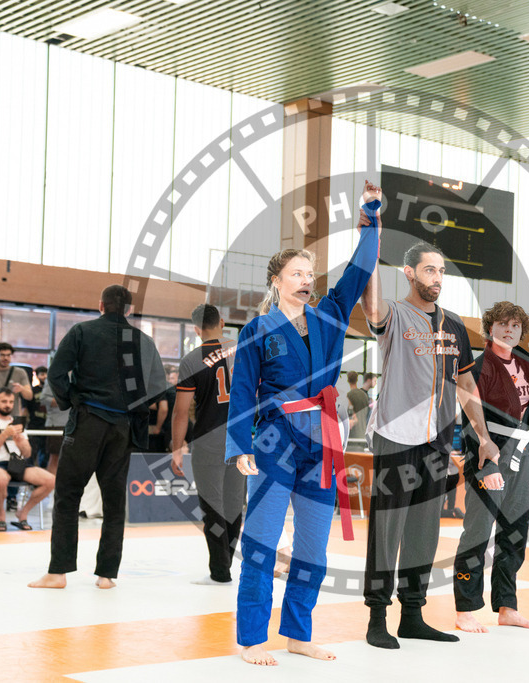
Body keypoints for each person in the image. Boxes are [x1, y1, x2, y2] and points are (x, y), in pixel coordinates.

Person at [226, 182, 382, 666]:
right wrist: (239, 445)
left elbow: (359, 270)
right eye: (296, 273)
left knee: (314, 543)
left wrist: (371, 219)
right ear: (277, 280)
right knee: (261, 541)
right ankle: (251, 637)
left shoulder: (330, 317)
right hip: (275, 439)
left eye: (310, 274)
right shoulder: (258, 329)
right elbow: (243, 390)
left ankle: (298, 631)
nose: (305, 280)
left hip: (323, 440)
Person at [360, 233, 501, 651]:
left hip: (438, 442)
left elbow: (465, 381)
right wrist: (372, 236)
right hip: (395, 438)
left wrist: (483, 436)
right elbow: (372, 306)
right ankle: (377, 616)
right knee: (387, 532)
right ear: (409, 273)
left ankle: (413, 616)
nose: (437, 277)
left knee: (424, 532)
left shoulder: (454, 324)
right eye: (429, 269)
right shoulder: (395, 315)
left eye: (440, 270)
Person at [29, 284, 166, 591]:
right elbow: (158, 386)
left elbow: (55, 374)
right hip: (123, 428)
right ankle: (106, 575)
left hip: (89, 420)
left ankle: (58, 572)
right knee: (115, 502)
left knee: (67, 494)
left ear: (101, 305)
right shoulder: (144, 341)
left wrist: (72, 400)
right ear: (129, 310)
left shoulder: (82, 332)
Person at [452, 301, 529, 635]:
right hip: (489, 451)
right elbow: (469, 418)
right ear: (490, 328)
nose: (509, 330)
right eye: (502, 324)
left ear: (521, 330)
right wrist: (484, 465)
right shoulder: (478, 366)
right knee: (478, 531)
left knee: (515, 532)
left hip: (525, 453)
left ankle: (507, 607)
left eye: (515, 325)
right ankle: (465, 608)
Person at [170, 303, 244, 587]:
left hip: (208, 440)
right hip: (241, 439)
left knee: (212, 505)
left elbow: (181, 411)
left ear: (197, 329)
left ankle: (219, 571)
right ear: (222, 323)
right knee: (235, 504)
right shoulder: (244, 349)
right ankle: (225, 563)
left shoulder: (192, 360)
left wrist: (177, 447)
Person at [0, 388, 55, 530]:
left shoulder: (18, 424)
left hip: (17, 463)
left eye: (11, 402)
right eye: (4, 401)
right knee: (1, 479)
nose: (8, 405)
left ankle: (23, 513)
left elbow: (28, 453)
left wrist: (21, 443)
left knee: (50, 480)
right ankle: (1, 517)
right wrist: (4, 435)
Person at [0, 342, 32, 415]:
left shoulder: (20, 373)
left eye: (8, 355)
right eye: (2, 355)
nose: (6, 358)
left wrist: (22, 389)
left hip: (12, 417)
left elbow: (29, 396)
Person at [38, 374, 69, 475]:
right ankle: (51, 488)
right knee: (55, 457)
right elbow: (43, 399)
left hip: (74, 424)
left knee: (70, 459)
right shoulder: (56, 375)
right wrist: (66, 401)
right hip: (56, 424)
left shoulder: (81, 375)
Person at [346, 370, 371, 447]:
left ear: (348, 380)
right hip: (363, 432)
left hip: (353, 434)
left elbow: (349, 414)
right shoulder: (364, 395)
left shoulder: (349, 395)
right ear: (357, 380)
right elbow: (368, 414)